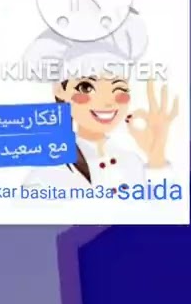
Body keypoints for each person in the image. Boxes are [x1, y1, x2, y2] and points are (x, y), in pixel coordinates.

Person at [21, 10, 180, 192]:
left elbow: (163, 214)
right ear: (60, 89)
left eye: (118, 87)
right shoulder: (46, 175)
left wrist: (157, 158)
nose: (107, 102)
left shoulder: (132, 163)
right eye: (86, 87)